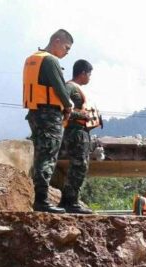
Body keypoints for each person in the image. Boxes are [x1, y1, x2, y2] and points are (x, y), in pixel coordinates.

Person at [23, 29, 75, 213]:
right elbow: (61, 89)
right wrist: (68, 107)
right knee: (48, 157)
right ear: (57, 41)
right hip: (49, 115)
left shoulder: (32, 58)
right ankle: (42, 201)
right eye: (66, 47)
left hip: (35, 113)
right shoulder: (50, 60)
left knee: (40, 155)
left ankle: (40, 199)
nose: (67, 52)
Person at [58, 59, 102, 214]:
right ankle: (71, 202)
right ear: (83, 73)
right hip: (75, 132)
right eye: (89, 74)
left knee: (79, 166)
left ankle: (67, 201)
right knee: (79, 166)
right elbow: (62, 107)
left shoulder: (77, 89)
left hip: (82, 132)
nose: (89, 78)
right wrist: (81, 114)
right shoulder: (70, 87)